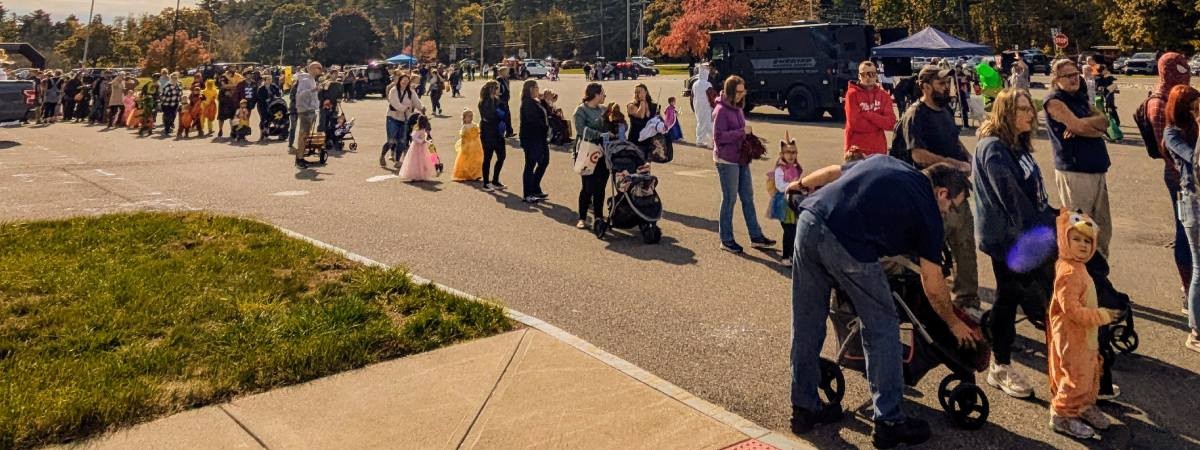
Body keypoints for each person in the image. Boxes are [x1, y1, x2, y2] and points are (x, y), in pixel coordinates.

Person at [787, 157, 975, 448]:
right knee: (882, 325)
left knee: (806, 321)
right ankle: (889, 421)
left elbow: (834, 172)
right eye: (951, 205)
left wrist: (799, 184)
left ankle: (804, 408)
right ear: (941, 193)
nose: (948, 212)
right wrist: (953, 323)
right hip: (847, 243)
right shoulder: (928, 211)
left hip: (809, 220)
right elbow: (933, 282)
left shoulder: (885, 163)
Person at [972, 88, 1057, 398]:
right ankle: (1000, 365)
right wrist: (1046, 234)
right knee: (1011, 298)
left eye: (1031, 108)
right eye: (1023, 109)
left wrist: (1057, 215)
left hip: (1030, 234)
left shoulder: (1016, 143)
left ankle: (1071, 368)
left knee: (1026, 298)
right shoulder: (994, 149)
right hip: (1010, 241)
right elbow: (1013, 202)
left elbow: (1033, 195)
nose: (1031, 114)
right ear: (1006, 113)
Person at [894, 65, 979, 312]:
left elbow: (953, 140)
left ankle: (967, 300)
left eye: (947, 83)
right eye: (941, 83)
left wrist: (968, 157)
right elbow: (918, 155)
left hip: (957, 191)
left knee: (965, 246)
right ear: (925, 86)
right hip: (931, 197)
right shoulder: (915, 114)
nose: (946, 88)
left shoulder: (944, 110)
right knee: (929, 253)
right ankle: (931, 304)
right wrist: (952, 163)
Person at [1046, 210, 1121, 439]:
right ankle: (1062, 414)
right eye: (1076, 239)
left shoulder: (1078, 267)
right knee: (1074, 376)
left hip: (1084, 335)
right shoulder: (1068, 272)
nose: (1082, 245)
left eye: (1087, 241)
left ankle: (1084, 406)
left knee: (1089, 371)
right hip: (1071, 337)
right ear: (1064, 240)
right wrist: (1102, 316)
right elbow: (1072, 311)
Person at [1044, 59, 1113, 258]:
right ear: (1056, 79)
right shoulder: (1055, 101)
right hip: (1076, 171)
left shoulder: (1079, 97)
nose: (1074, 79)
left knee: (1101, 228)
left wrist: (1087, 126)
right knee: (1081, 229)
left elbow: (1105, 121)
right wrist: (1089, 127)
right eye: (1068, 76)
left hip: (1096, 168)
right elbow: (1078, 127)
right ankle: (1079, 270)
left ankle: (1098, 271)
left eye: (1075, 74)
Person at [714, 75, 776, 254]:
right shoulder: (721, 110)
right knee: (730, 199)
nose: (742, 94)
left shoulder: (737, 107)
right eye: (739, 91)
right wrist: (742, 132)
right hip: (726, 160)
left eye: (743, 91)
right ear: (730, 91)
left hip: (741, 158)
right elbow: (719, 138)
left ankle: (756, 236)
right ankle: (726, 239)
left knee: (748, 197)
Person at [1161, 84, 1200, 352]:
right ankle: (1195, 332)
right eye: (1194, 108)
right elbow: (1196, 161)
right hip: (1193, 202)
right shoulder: (1172, 133)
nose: (1197, 112)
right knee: (1199, 268)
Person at [574, 83, 610, 229]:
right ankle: (582, 218)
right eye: (602, 93)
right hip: (587, 152)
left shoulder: (604, 109)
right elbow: (581, 130)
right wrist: (600, 134)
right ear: (595, 94)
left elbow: (613, 124)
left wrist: (620, 124)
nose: (604, 96)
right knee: (588, 187)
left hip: (603, 152)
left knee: (600, 187)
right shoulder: (581, 110)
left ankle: (598, 218)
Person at [844, 61, 896, 157]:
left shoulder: (884, 96)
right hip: (856, 153)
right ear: (859, 76)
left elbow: (891, 123)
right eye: (864, 74)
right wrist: (879, 123)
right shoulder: (852, 94)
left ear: (876, 76)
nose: (868, 77)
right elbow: (855, 124)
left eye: (871, 74)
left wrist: (868, 115)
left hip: (879, 151)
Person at [768, 132, 802, 267]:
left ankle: (793, 255)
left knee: (794, 230)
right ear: (782, 154)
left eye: (794, 152)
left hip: (793, 202)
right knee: (789, 231)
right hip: (783, 204)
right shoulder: (780, 169)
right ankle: (786, 257)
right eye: (788, 152)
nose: (791, 155)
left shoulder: (796, 168)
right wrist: (793, 185)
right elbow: (780, 186)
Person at [383, 71, 422, 168]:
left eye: (407, 81)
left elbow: (416, 102)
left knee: (402, 141)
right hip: (392, 117)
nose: (405, 82)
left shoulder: (411, 91)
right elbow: (394, 102)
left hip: (404, 119)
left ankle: (397, 161)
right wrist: (404, 108)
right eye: (403, 80)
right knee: (391, 140)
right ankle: (382, 156)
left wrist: (422, 108)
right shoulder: (394, 90)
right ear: (400, 81)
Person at [519, 79, 550, 203]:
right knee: (530, 164)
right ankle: (527, 193)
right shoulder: (527, 103)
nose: (538, 89)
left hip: (540, 137)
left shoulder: (536, 101)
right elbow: (533, 121)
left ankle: (535, 187)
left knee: (544, 162)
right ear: (531, 89)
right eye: (537, 87)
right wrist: (545, 127)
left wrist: (545, 101)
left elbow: (546, 112)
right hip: (531, 139)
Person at [479, 80, 508, 191]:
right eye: (497, 88)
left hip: (498, 133)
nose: (499, 90)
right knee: (488, 158)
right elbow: (488, 117)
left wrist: (502, 116)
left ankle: (495, 180)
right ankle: (486, 183)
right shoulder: (484, 102)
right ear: (492, 89)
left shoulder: (497, 100)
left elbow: (504, 113)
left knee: (502, 156)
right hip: (488, 133)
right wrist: (499, 115)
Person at [294, 61, 323, 168]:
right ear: (311, 69)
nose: (320, 70)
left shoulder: (311, 79)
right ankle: (299, 159)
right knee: (303, 135)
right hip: (305, 110)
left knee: (305, 135)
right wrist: (314, 89)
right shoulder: (305, 80)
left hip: (310, 110)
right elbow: (300, 95)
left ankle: (300, 158)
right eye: (318, 68)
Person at [399, 115, 437, 182]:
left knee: (422, 160)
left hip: (422, 147)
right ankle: (414, 175)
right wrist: (421, 141)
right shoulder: (417, 130)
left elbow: (423, 136)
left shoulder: (422, 129)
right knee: (416, 161)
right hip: (416, 147)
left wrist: (426, 141)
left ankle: (421, 175)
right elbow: (414, 137)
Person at [453, 109, 485, 182]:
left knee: (476, 159)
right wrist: (463, 147)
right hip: (468, 145)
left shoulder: (474, 125)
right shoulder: (464, 127)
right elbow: (463, 138)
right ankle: (468, 174)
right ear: (464, 118)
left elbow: (478, 133)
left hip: (476, 145)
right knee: (467, 160)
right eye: (468, 116)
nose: (470, 118)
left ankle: (476, 174)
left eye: (471, 116)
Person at [217, 68, 245, 137]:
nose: (232, 74)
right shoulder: (223, 77)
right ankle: (220, 130)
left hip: (232, 99)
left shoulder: (237, 76)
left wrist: (232, 86)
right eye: (230, 73)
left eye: (233, 73)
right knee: (221, 117)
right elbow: (223, 86)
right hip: (223, 98)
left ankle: (232, 131)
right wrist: (234, 86)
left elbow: (240, 84)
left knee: (232, 116)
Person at [692, 64, 715, 147]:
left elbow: (693, 95)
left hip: (697, 105)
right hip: (706, 106)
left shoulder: (695, 84)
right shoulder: (707, 84)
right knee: (705, 122)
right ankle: (700, 140)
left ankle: (713, 139)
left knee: (703, 122)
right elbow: (711, 96)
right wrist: (713, 105)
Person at [256, 74, 282, 141]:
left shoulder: (274, 86)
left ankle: (273, 134)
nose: (270, 80)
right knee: (264, 120)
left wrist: (276, 97)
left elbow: (278, 94)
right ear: (264, 80)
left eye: (271, 79)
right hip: (263, 106)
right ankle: (262, 135)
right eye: (268, 79)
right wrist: (266, 99)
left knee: (273, 120)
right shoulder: (261, 88)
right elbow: (260, 98)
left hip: (273, 106)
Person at [496, 67, 515, 138]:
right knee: (503, 117)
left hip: (505, 101)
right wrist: (499, 96)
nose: (508, 73)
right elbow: (498, 90)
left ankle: (509, 132)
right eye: (507, 71)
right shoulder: (499, 80)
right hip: (501, 101)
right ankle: (502, 132)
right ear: (503, 72)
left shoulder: (505, 79)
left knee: (507, 116)